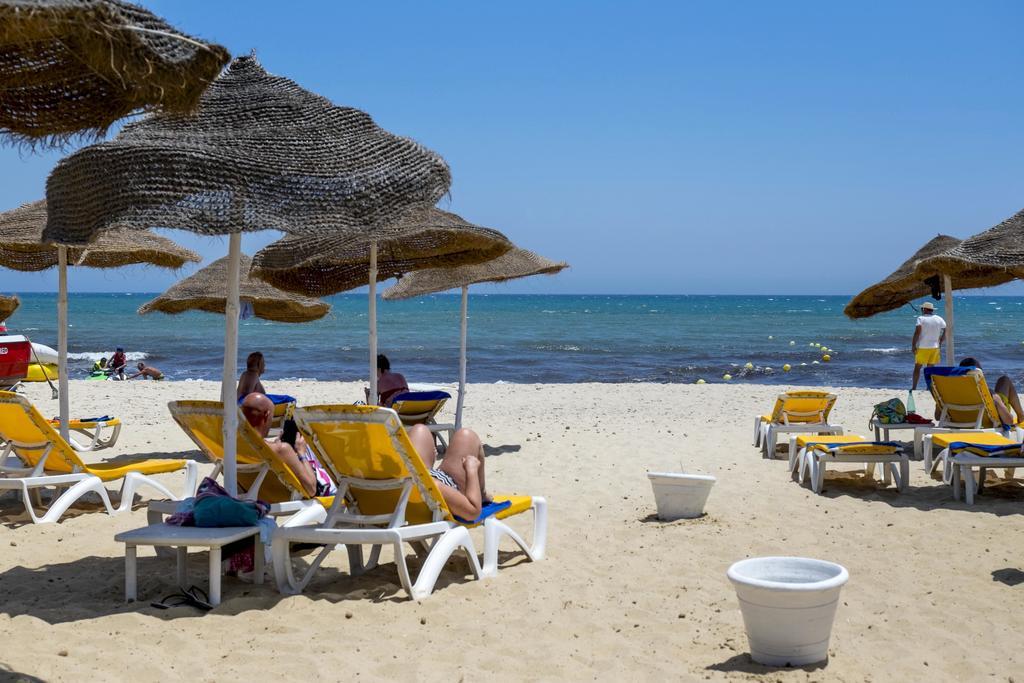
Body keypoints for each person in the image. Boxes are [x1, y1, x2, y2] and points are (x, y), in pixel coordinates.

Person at [240, 393, 336, 498]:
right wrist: (301, 453)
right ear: (267, 415)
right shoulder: (282, 450)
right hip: (297, 495)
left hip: (255, 492)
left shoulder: (234, 445)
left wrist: (276, 444)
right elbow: (312, 489)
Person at [406, 423, 490, 521]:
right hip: (442, 488)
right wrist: (471, 470)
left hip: (412, 476)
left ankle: (429, 469)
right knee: (468, 435)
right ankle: (481, 493)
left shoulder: (392, 477)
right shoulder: (434, 487)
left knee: (419, 429)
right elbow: (472, 512)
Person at [955, 357, 1024, 429]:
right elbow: (1009, 420)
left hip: (962, 419)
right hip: (987, 422)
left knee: (1003, 380)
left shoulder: (954, 392)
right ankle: (1021, 416)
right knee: (1005, 380)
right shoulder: (987, 393)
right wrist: (997, 399)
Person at [911, 301, 946, 391]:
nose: (922, 310)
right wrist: (942, 339)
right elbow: (946, 328)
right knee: (930, 369)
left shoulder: (921, 318)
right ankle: (928, 387)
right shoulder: (939, 318)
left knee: (917, 368)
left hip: (923, 347)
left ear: (925, 309)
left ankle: (914, 387)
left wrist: (913, 345)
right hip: (935, 347)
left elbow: (917, 332)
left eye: (922, 309)